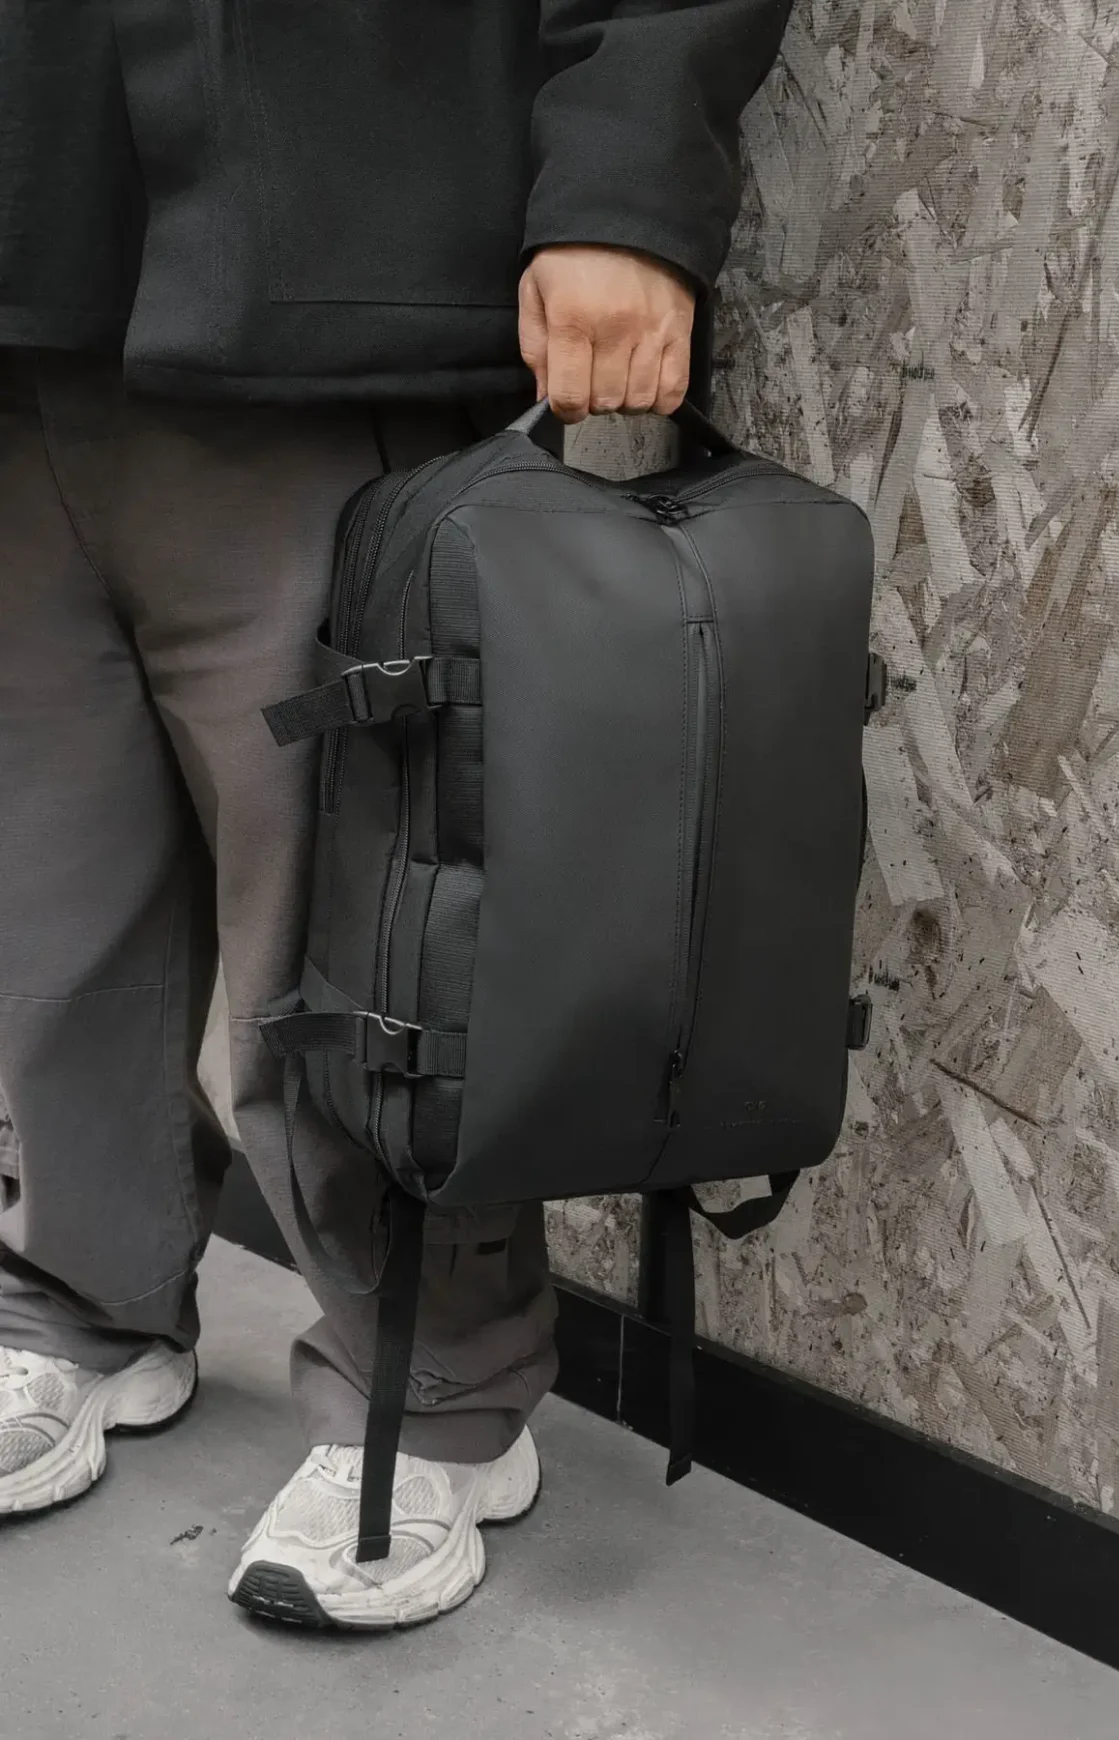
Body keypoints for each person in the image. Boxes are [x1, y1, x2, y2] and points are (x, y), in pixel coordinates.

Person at [0, 0, 790, 1629]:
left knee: (360, 920)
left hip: (325, 268)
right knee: (49, 884)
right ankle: (81, 1298)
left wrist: (624, 191)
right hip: (27, 277)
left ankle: (437, 1392)